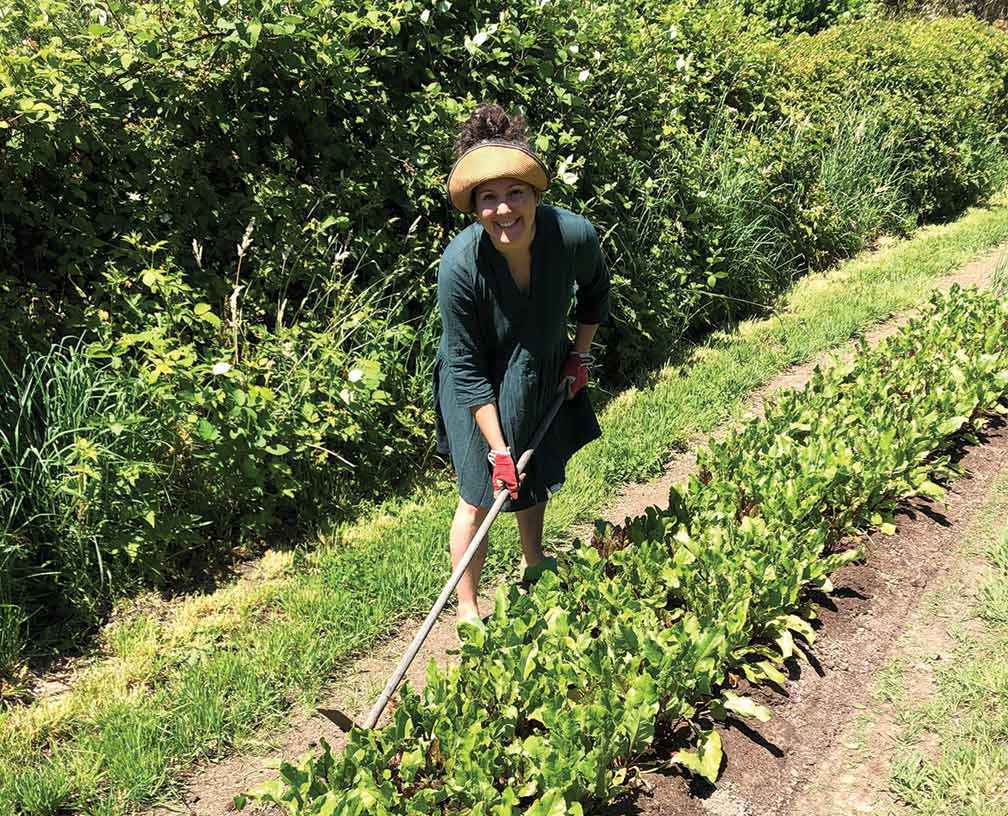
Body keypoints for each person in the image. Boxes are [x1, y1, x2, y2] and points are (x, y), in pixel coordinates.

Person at [434, 102, 611, 624]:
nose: (503, 209)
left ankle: (533, 559)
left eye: (515, 193)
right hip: (477, 387)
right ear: (474, 208)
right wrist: (496, 450)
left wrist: (578, 356)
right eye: (488, 198)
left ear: (535, 195)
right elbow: (464, 366)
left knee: (530, 475)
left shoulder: (573, 235)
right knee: (477, 494)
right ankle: (467, 606)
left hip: (539, 367)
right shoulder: (459, 266)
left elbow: (595, 294)